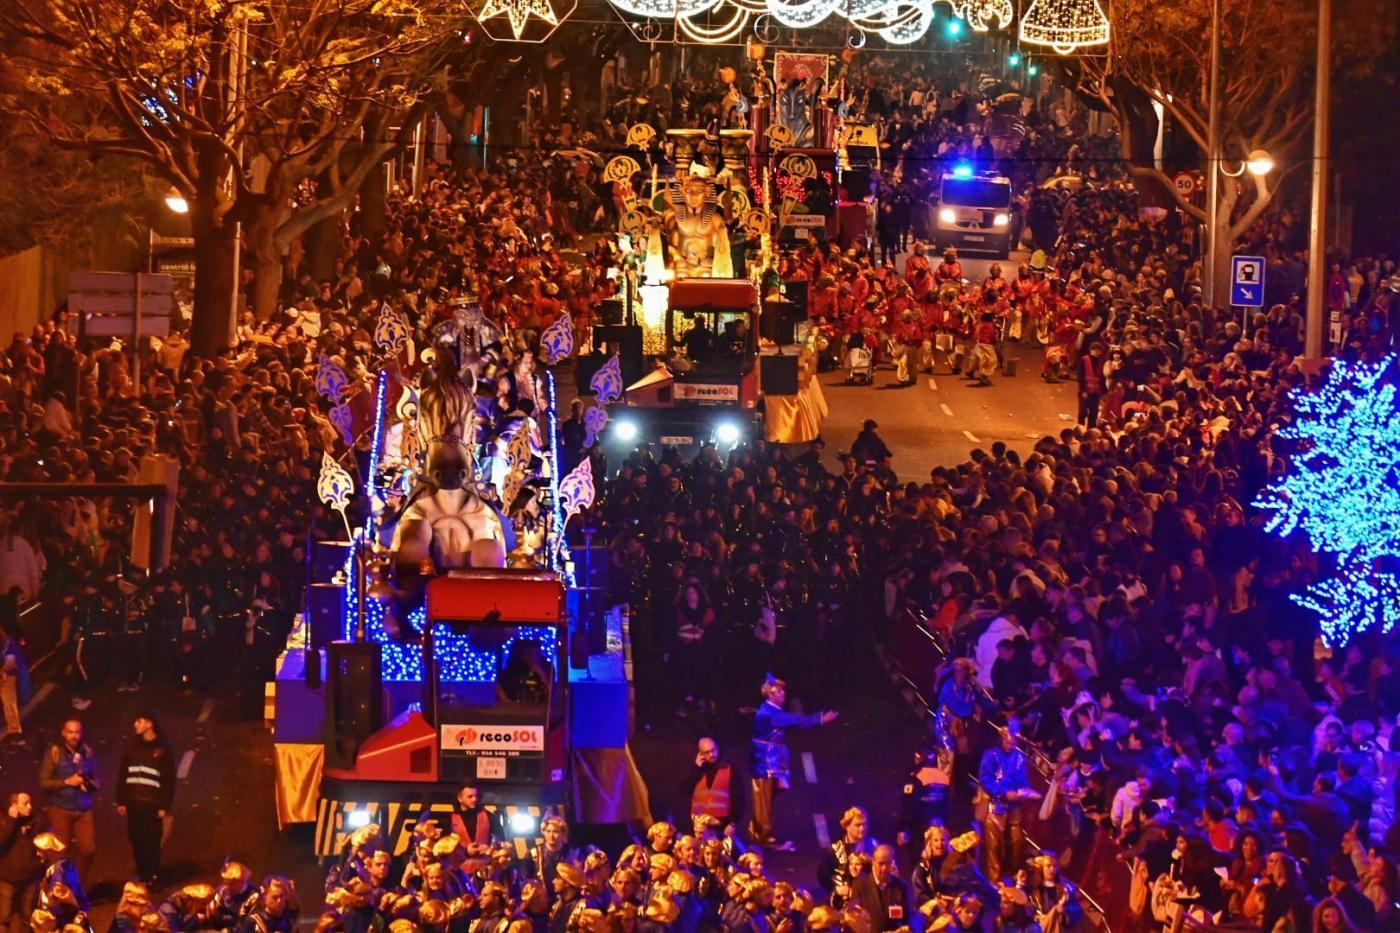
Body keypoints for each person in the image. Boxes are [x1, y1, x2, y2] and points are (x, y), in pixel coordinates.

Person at [748, 674, 837, 848]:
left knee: (766, 799)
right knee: (763, 801)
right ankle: (765, 837)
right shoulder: (768, 713)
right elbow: (795, 721)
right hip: (764, 761)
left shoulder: (772, 711)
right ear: (771, 694)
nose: (783, 694)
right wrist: (819, 719)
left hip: (771, 760)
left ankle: (758, 833)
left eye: (783, 691)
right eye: (779, 692)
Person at [116, 710, 177, 884]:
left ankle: (154, 875)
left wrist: (164, 805)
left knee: (152, 841)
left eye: (139, 720)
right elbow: (123, 774)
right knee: (136, 840)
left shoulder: (162, 751)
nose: (136, 724)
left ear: (150, 724)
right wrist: (121, 799)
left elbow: (168, 779)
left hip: (152, 805)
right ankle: (142, 874)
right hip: (134, 804)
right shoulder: (132, 748)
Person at [36, 719, 97, 882]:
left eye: (77, 732)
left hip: (83, 809)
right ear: (63, 733)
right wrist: (66, 782)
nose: (74, 736)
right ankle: (58, 886)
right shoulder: (54, 753)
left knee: (88, 850)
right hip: (61, 809)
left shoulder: (87, 752)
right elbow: (44, 782)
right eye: (70, 732)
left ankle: (77, 885)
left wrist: (89, 785)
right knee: (60, 852)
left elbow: (96, 779)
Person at [978, 720, 1034, 883]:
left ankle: (1011, 879)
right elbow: (985, 778)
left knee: (1016, 843)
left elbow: (1023, 779)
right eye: (1008, 741)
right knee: (995, 847)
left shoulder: (1020, 757)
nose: (1011, 744)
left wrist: (1023, 791)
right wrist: (1003, 792)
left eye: (1014, 741)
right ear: (1002, 737)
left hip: (1014, 806)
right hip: (996, 806)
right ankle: (994, 883)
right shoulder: (991, 755)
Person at [684, 737, 743, 833]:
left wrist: (733, 823)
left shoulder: (729, 768)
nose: (712, 755)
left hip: (721, 824)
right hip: (699, 825)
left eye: (713, 750)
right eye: (707, 752)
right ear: (701, 754)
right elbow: (685, 788)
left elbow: (739, 798)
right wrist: (696, 768)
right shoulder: (698, 769)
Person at [817, 807, 875, 903]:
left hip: (868, 900)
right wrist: (836, 889)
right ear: (847, 826)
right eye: (858, 825)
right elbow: (822, 877)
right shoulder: (834, 850)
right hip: (841, 902)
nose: (862, 828)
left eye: (864, 824)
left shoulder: (874, 846)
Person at [848, 844, 910, 933]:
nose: (884, 868)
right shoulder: (859, 885)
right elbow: (853, 917)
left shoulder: (902, 887)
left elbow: (907, 918)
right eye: (881, 864)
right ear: (873, 862)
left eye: (888, 863)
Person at [0, 792, 38, 933]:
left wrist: (37, 864)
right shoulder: (4, 822)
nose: (30, 807)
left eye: (30, 803)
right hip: (7, 878)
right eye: (25, 803)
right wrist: (12, 820)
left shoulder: (35, 822)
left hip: (29, 878)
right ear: (14, 806)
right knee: (4, 917)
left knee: (27, 917)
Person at [450, 784, 500, 874]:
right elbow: (445, 846)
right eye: (470, 796)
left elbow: (500, 836)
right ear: (460, 798)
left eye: (476, 796)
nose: (474, 799)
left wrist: (491, 848)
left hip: (486, 870)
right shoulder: (450, 818)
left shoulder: (489, 816)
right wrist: (465, 851)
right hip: (459, 872)